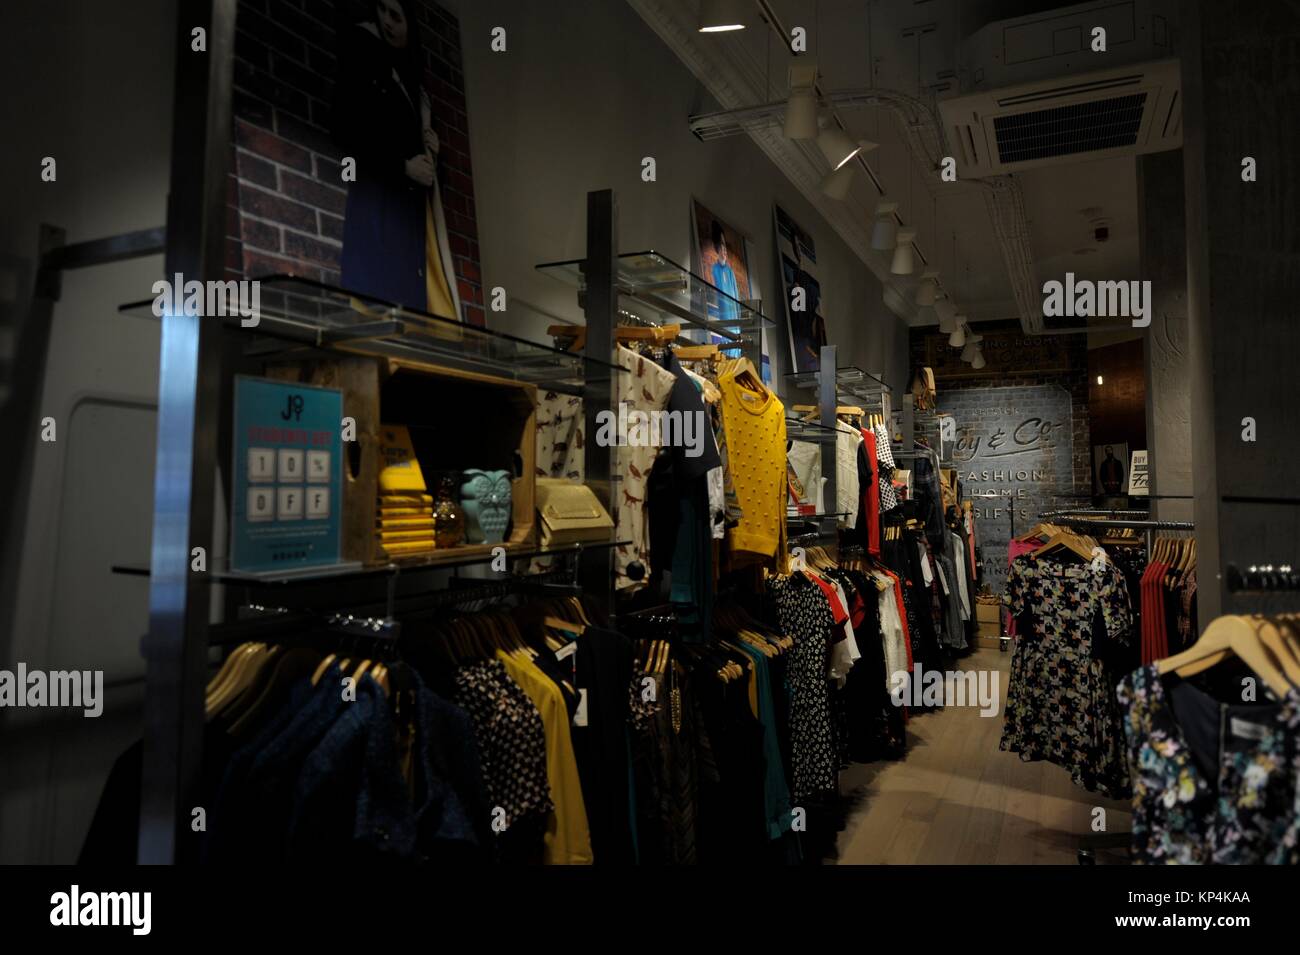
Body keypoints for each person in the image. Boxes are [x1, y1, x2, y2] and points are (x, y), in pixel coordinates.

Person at [333, 0, 460, 319]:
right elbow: (349, 130)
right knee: (384, 301)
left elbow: (431, 178)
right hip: (383, 208)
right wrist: (403, 166)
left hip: (411, 218)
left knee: (418, 301)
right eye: (382, 11)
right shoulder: (365, 57)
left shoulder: (411, 87)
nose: (388, 22)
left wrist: (433, 154)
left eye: (396, 16)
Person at [709, 220, 741, 325]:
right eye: (721, 246)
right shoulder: (713, 269)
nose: (725, 251)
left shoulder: (730, 272)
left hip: (733, 317)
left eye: (725, 246)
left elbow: (736, 296)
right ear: (716, 248)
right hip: (722, 317)